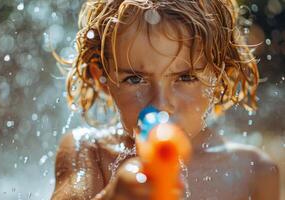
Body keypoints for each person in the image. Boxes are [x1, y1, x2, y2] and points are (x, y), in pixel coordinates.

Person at [51, 0, 280, 199]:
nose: (160, 104)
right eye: (134, 79)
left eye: (186, 77)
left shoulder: (254, 173)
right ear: (103, 79)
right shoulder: (88, 152)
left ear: (221, 79)